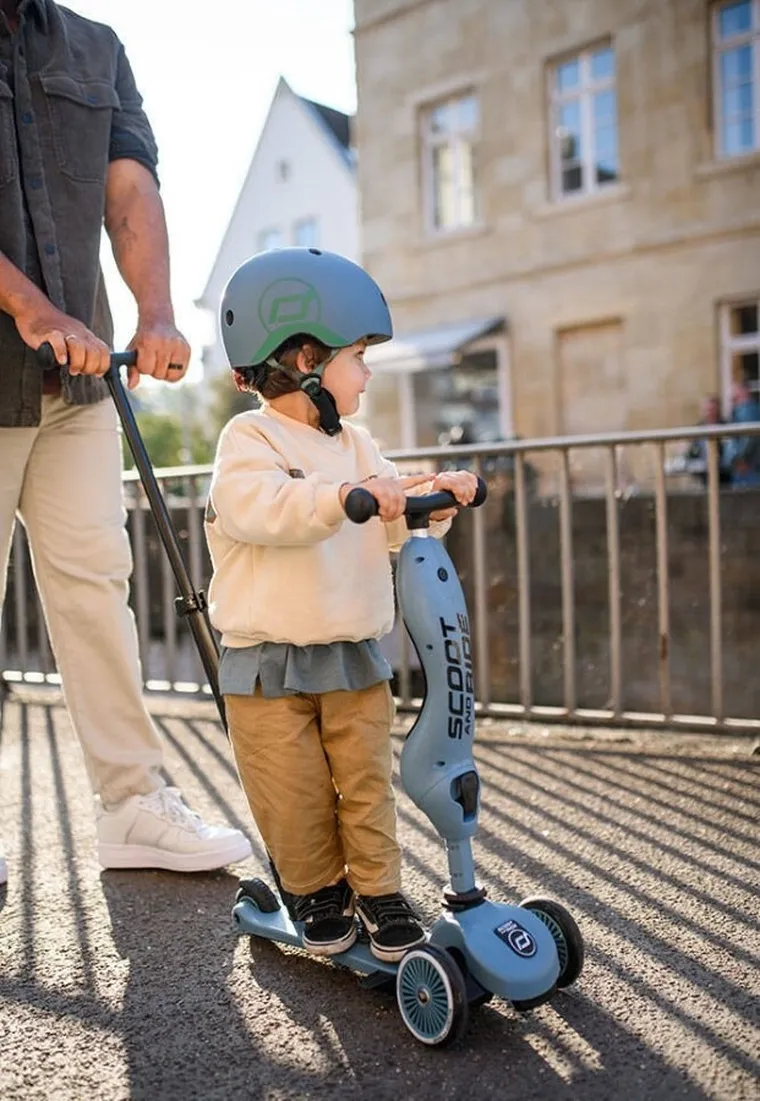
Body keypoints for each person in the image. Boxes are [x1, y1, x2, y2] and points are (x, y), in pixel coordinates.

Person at [0, 0, 251, 888]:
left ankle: (133, 804)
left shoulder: (94, 48)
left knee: (98, 586)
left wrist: (153, 314)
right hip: (19, 348)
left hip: (77, 381)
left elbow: (128, 186)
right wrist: (32, 308)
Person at [205, 248, 479, 961]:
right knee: (292, 790)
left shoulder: (355, 443)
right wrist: (340, 498)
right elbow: (258, 509)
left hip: (353, 653)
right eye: (359, 354)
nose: (368, 369)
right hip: (267, 661)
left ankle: (381, 891)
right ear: (304, 359)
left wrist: (433, 492)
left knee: (364, 783)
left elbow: (389, 507)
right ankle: (316, 891)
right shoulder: (250, 439)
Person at [725, 379, 760, 486]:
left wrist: (742, 460)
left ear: (744, 391)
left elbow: (751, 436)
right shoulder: (742, 409)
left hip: (748, 468)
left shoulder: (747, 409)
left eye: (736, 390)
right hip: (744, 467)